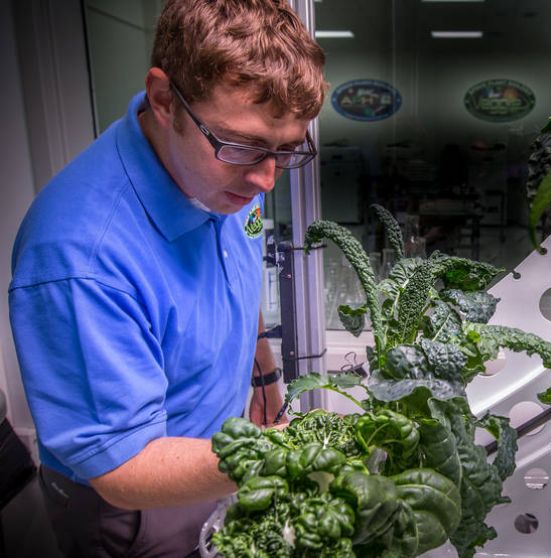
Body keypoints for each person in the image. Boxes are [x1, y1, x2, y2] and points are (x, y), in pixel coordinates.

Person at [7, 0, 326, 555]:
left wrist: (263, 377)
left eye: (286, 149)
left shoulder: (218, 175)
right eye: (244, 145)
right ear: (162, 100)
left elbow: (233, 276)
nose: (266, 179)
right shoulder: (80, 258)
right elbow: (121, 464)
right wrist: (288, 452)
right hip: (133, 510)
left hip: (219, 460)